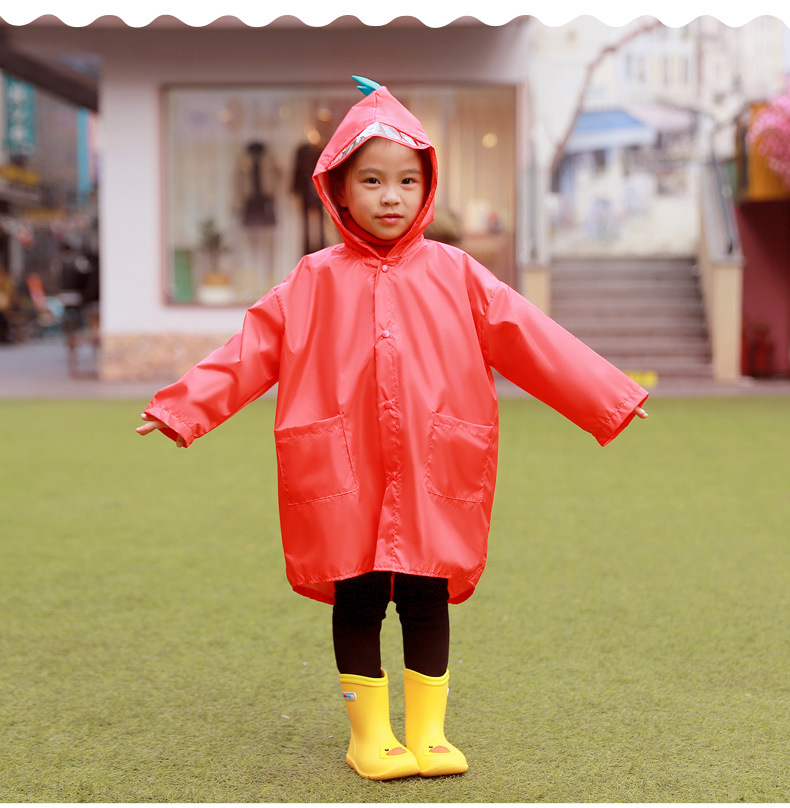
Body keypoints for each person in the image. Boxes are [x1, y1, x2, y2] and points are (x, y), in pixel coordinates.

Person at [136, 76, 649, 781]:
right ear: (338, 189)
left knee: (426, 594)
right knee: (358, 593)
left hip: (434, 466)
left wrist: (607, 394)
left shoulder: (458, 274)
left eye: (407, 180)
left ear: (427, 187)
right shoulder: (312, 281)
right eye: (371, 180)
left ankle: (430, 733)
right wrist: (182, 406)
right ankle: (369, 734)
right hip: (345, 470)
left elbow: (531, 338)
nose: (390, 196)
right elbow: (249, 350)